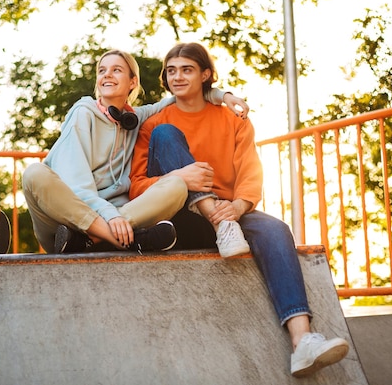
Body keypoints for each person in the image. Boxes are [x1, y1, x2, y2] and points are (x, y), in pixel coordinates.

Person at [129, 42, 349, 377]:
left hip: (232, 214)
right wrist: (178, 177)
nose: (177, 77)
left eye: (186, 69)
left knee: (276, 230)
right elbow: (137, 186)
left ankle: (302, 341)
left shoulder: (233, 118)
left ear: (205, 75)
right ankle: (214, 217)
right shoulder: (154, 123)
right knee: (166, 134)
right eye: (171, 70)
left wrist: (236, 205)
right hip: (182, 217)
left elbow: (250, 170)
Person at [22, 49, 248, 254]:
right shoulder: (83, 113)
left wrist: (225, 96)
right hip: (67, 222)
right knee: (34, 173)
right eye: (102, 71)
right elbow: (76, 187)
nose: (107, 75)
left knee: (178, 184)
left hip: (113, 221)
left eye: (116, 70)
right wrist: (110, 216)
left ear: (132, 82)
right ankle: (128, 240)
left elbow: (178, 98)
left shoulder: (133, 119)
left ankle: (93, 240)